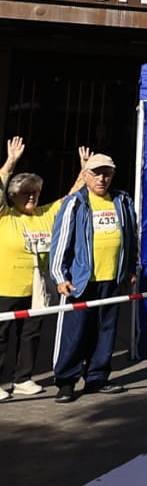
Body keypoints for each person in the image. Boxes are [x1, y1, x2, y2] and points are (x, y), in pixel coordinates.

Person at [49, 151, 137, 402]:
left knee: (106, 330)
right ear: (86, 175)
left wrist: (131, 268)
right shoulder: (75, 202)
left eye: (107, 174)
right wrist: (59, 275)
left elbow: (132, 237)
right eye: (96, 173)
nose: (102, 178)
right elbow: (60, 241)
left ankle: (97, 378)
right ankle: (66, 381)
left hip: (111, 278)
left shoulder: (122, 201)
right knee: (75, 332)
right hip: (80, 280)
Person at [1, 138, 61, 398]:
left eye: (35, 192)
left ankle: (23, 378)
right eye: (26, 192)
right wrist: (10, 163)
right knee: (1, 337)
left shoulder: (44, 215)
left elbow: (70, 197)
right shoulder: (4, 215)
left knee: (31, 333)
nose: (32, 196)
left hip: (36, 288)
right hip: (5, 287)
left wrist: (84, 171)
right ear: (13, 196)